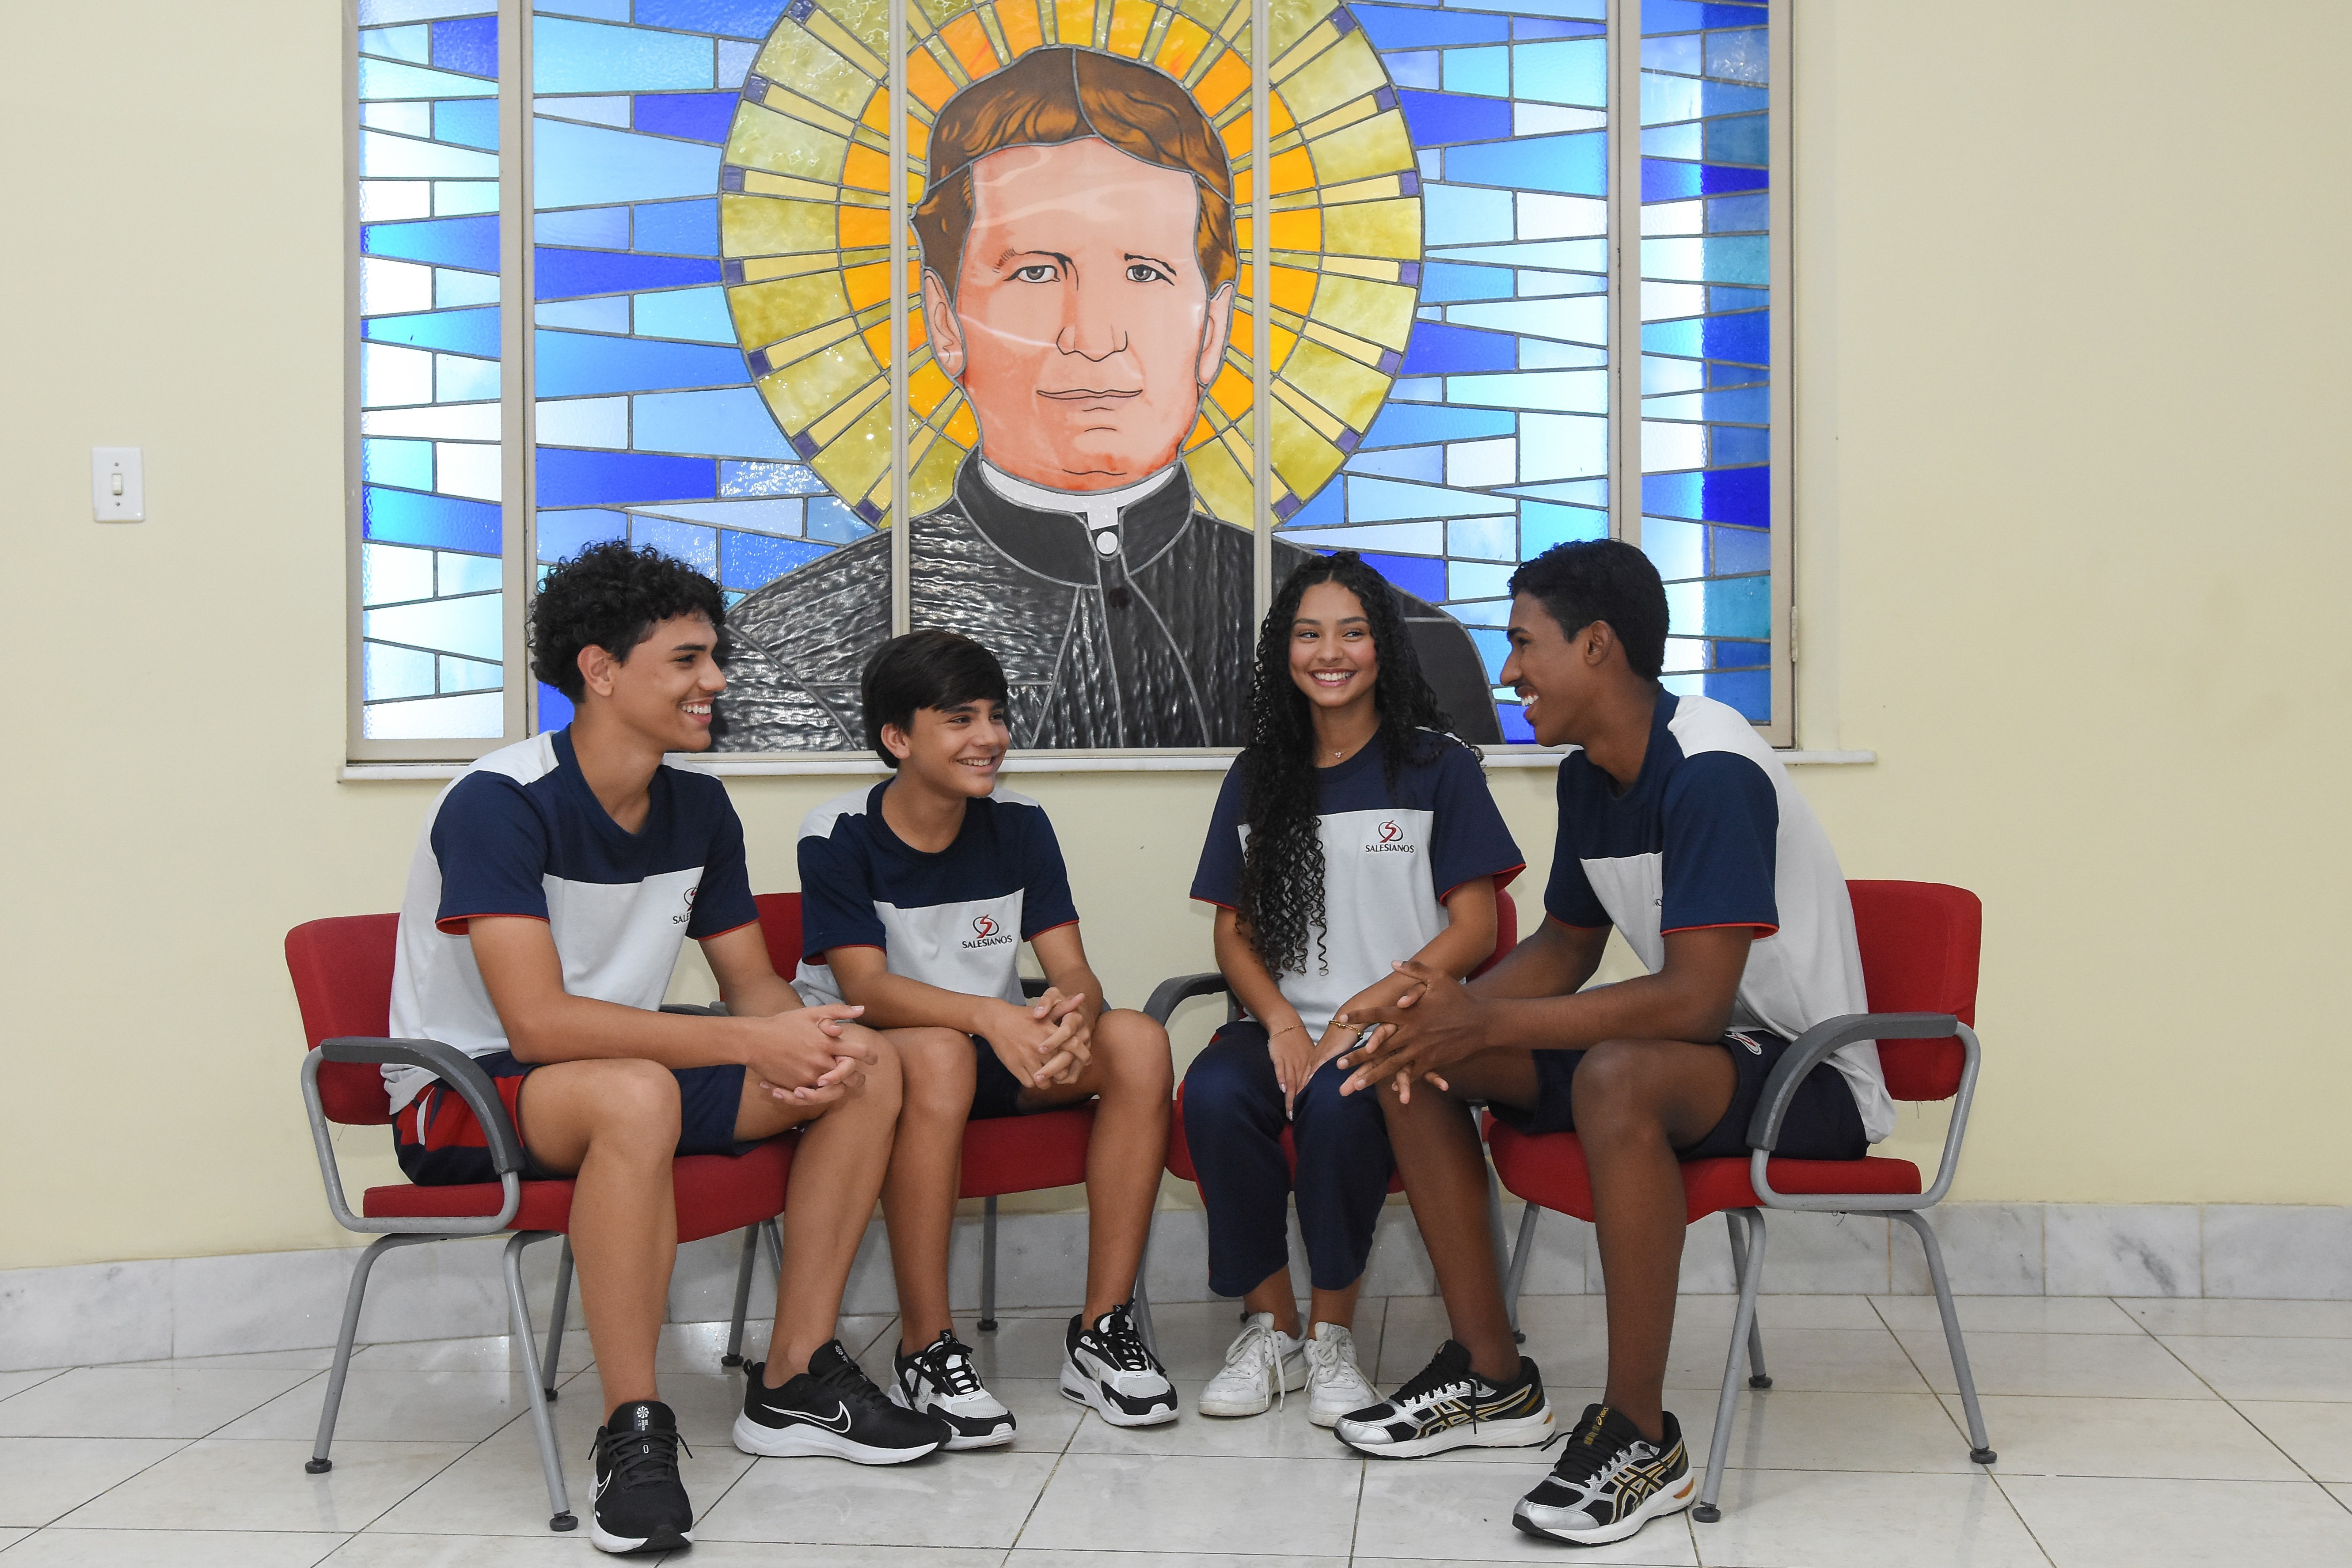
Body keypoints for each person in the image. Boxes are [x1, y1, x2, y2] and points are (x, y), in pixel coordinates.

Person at [384, 543, 952, 1555]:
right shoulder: (498, 800)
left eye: (714, 656)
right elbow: (538, 1025)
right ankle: (633, 1429)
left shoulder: (699, 806)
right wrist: (748, 1038)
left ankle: (794, 1375)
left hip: (626, 1076)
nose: (715, 679)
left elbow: (753, 986)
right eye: (688, 659)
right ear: (600, 670)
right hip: (467, 1093)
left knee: (868, 1066)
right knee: (639, 1092)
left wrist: (805, 1039)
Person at [1329, 539, 1894, 1549]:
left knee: (1616, 1077)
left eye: (1523, 644)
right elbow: (1564, 946)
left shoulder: (1711, 770)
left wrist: (1483, 1015)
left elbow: (1694, 1002)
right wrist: (1440, 1020)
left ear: (1595, 646)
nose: (1509, 671)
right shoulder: (1590, 774)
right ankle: (1492, 1374)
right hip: (1706, 1055)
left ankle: (1641, 1435)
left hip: (1808, 1069)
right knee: (1415, 1057)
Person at [714, 45, 1499, 751]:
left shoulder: (1404, 648)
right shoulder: (791, 653)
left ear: (1214, 327)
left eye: (1145, 272)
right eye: (1035, 272)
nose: (1093, 336)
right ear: (946, 322)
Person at [793, 629, 1181, 1441]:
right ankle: (926, 1347)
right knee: (941, 1055)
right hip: (881, 1063)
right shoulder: (837, 832)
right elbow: (866, 989)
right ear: (898, 737)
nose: (990, 737)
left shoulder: (1021, 824)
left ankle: (1101, 1331)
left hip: (996, 1049)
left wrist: (1072, 1019)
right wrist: (992, 1017)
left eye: (997, 715)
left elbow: (1073, 970)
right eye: (961, 718)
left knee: (1137, 1041)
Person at [1183, 552, 1522, 1425]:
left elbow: (1476, 928)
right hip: (1283, 1023)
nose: (1328, 652)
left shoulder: (1437, 765)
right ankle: (1274, 1330)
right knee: (1214, 1093)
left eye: (1352, 632)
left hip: (1393, 1025)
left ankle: (1332, 1335)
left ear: (1384, 647)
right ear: (1284, 651)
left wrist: (1357, 1013)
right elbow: (1232, 930)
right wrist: (1279, 1024)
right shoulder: (1258, 774)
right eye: (1308, 634)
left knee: (1339, 1106)